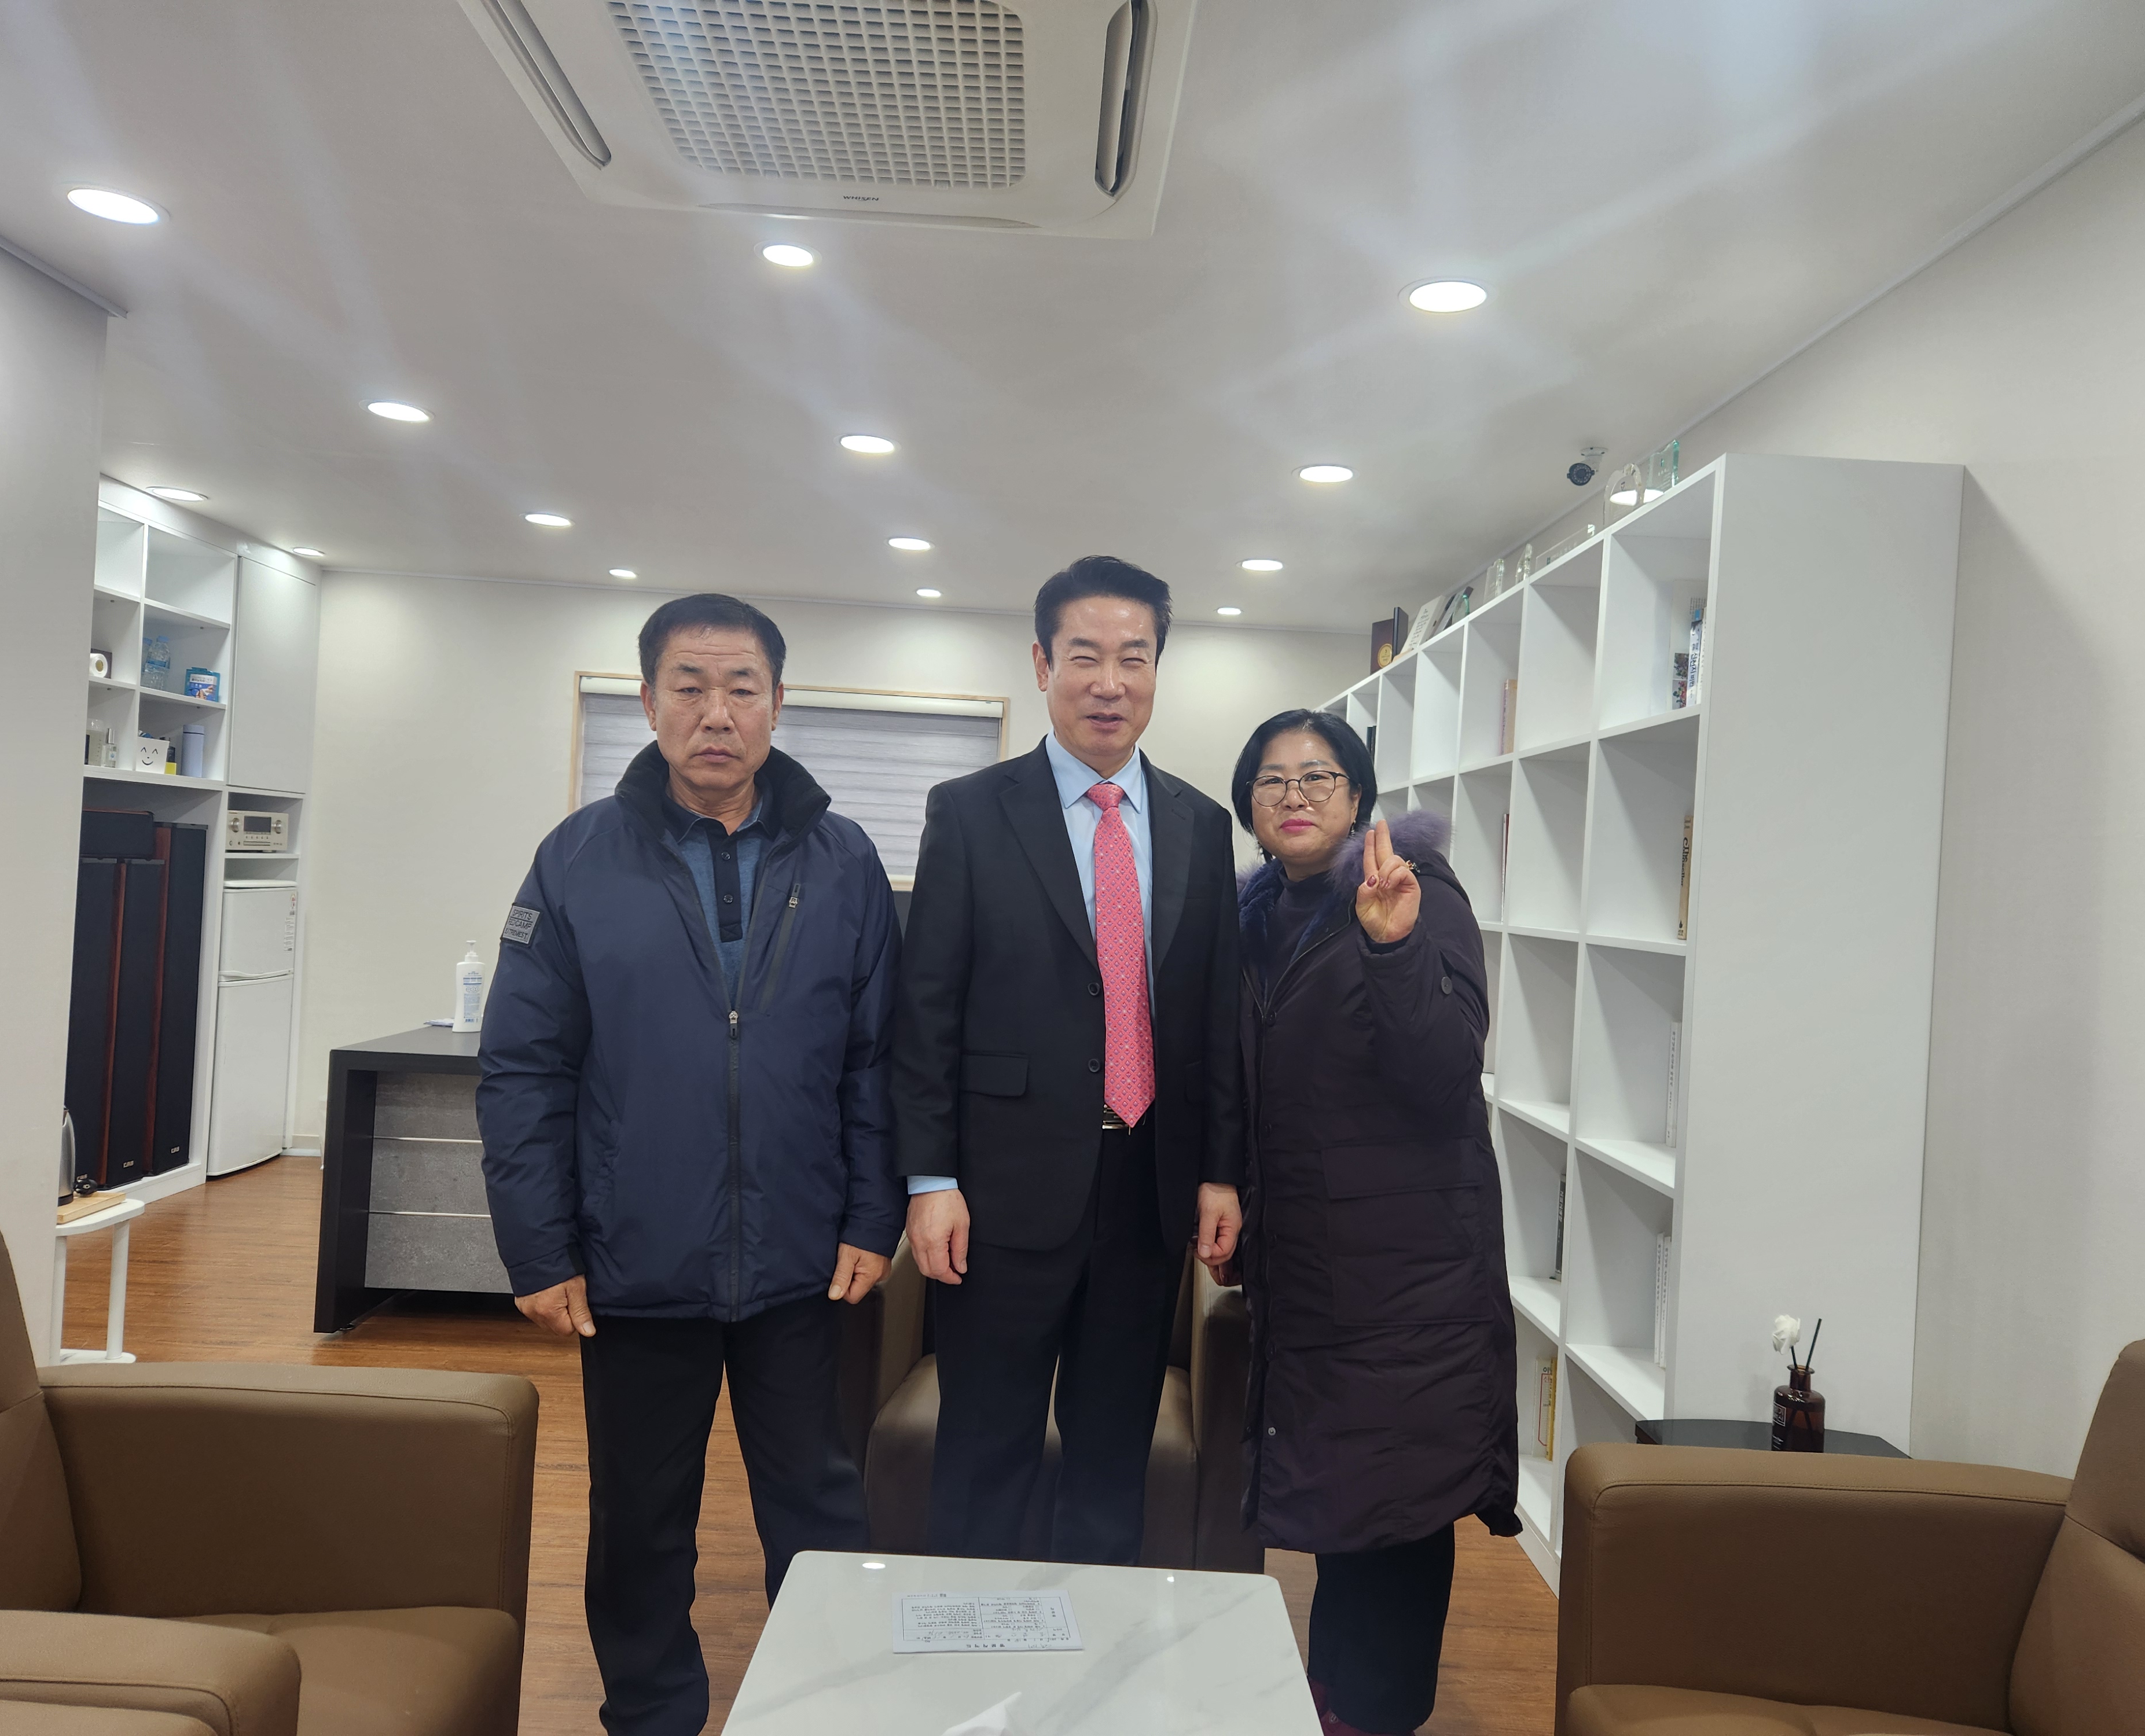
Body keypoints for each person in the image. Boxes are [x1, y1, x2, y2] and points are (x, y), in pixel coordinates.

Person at [476, 593, 903, 1736]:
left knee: (819, 1509)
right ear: (649, 700)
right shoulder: (577, 859)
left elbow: (876, 1061)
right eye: (689, 686)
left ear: (777, 703)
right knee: (640, 1520)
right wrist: (539, 1247)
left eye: (741, 688)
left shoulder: (845, 861)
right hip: (635, 1255)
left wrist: (872, 1217)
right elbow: (522, 1067)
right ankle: (651, 1712)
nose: (717, 713)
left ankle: (832, 1710)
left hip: (803, 1259)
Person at [891, 554, 1245, 1565]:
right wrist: (930, 1178)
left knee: (1111, 1459)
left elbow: (1215, 1016)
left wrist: (1220, 1169)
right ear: (1043, 664)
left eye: (1134, 657)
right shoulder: (970, 810)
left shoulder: (1200, 825)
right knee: (984, 1452)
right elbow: (927, 1008)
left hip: (1146, 1190)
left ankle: (1092, 1645)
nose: (1110, 682)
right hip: (1000, 1195)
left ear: (1158, 670)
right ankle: (969, 1640)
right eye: (1084, 656)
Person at [1227, 708, 1518, 1736]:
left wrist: (1393, 948)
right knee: (1348, 1497)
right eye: (1272, 780)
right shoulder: (1259, 916)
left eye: (1319, 776)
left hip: (1409, 1267)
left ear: (1358, 797)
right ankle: (1334, 1700)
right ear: (1250, 810)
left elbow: (1445, 1072)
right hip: (1312, 1264)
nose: (1295, 795)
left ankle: (1373, 1715)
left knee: (1395, 1499)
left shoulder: (1413, 892)